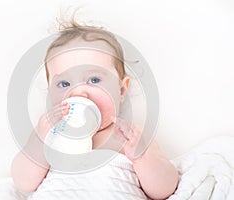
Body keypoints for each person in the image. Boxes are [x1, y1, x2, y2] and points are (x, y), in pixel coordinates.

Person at [11, 18, 179, 200]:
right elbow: (23, 182)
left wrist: (142, 157)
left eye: (94, 80)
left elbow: (165, 189)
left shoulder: (128, 137)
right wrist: (38, 140)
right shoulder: (50, 136)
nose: (79, 93)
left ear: (121, 90)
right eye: (64, 83)